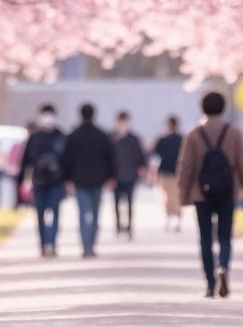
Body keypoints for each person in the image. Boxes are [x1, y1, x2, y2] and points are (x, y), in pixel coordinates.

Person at [176, 90, 243, 299]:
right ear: (223, 108)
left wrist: (183, 194)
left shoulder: (194, 134)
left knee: (205, 239)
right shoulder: (233, 133)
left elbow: (186, 167)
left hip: (201, 194)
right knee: (225, 236)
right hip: (227, 192)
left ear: (202, 108)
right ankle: (223, 267)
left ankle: (210, 284)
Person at [62, 102, 115, 257]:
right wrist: (111, 177)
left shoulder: (73, 136)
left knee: (83, 213)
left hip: (79, 181)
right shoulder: (102, 135)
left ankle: (85, 245)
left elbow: (66, 159)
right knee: (95, 214)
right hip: (98, 181)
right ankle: (91, 245)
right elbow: (110, 158)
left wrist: (67, 178)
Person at [17, 105, 66, 255]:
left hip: (57, 181)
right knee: (40, 213)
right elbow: (26, 160)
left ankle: (52, 242)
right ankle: (44, 243)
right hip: (39, 181)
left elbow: (67, 159)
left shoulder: (60, 136)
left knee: (55, 212)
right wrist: (21, 181)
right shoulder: (35, 137)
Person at [111, 111, 147, 238]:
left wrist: (142, 168)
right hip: (116, 176)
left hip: (131, 176)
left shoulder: (134, 139)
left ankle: (130, 226)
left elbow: (140, 156)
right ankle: (118, 225)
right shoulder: (111, 138)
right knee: (116, 203)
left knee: (130, 203)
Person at [151, 116, 183, 230]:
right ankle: (177, 219)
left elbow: (155, 158)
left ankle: (168, 219)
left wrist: (154, 172)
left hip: (164, 172)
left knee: (166, 196)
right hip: (178, 172)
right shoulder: (182, 139)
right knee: (177, 196)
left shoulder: (162, 140)